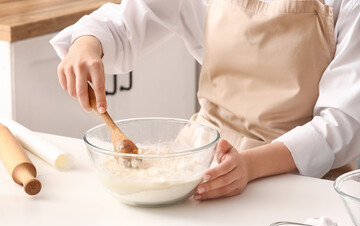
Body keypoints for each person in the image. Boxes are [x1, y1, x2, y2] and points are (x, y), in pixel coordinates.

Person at [50, 0, 360, 201]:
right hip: (199, 165)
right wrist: (86, 43)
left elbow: (343, 123)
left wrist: (250, 165)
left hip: (302, 180)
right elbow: (129, 20)